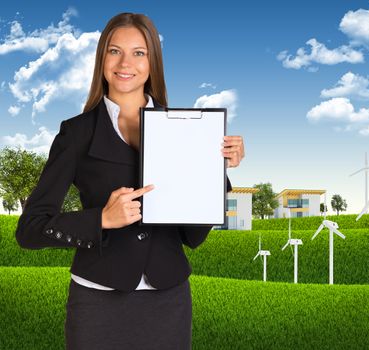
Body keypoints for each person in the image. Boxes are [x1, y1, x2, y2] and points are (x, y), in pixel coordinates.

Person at [15, 12, 245, 350]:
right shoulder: (76, 133)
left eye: (139, 52)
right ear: (102, 59)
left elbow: (192, 235)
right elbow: (30, 230)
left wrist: (217, 171)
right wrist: (101, 220)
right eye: (114, 51)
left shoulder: (189, 131)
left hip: (169, 302)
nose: (126, 62)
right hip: (96, 303)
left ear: (153, 62)